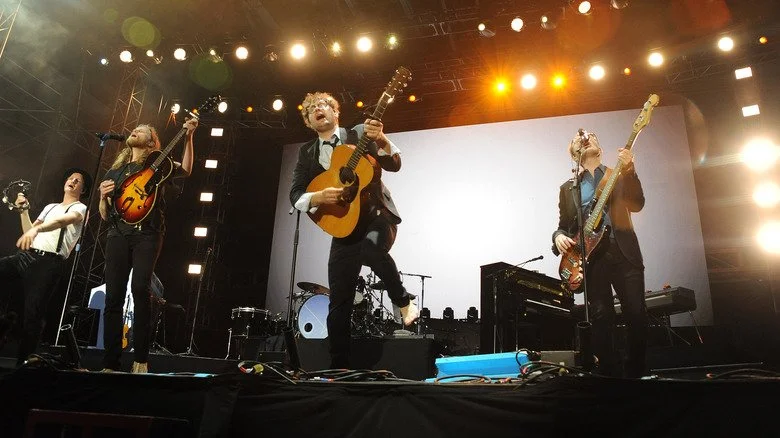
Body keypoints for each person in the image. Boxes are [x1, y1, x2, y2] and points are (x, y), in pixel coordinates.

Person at [290, 92, 418, 368]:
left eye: (323, 105)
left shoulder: (359, 134)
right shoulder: (307, 152)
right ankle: (339, 369)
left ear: (336, 113)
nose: (317, 109)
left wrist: (382, 139)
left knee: (371, 250)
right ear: (310, 123)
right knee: (339, 302)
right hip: (344, 227)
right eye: (311, 109)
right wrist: (319, 197)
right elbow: (296, 194)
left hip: (376, 217)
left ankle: (403, 300)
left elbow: (394, 164)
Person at [98, 120, 197, 373]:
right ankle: (110, 363)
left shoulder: (159, 166)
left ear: (152, 142)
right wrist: (102, 196)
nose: (135, 131)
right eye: (135, 129)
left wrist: (189, 136)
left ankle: (141, 358)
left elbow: (185, 169)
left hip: (148, 234)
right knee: (113, 298)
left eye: (142, 130)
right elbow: (104, 214)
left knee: (140, 288)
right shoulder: (115, 172)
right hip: (117, 234)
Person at [552, 130, 648, 378]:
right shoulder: (568, 189)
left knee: (636, 313)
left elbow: (636, 204)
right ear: (574, 152)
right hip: (592, 258)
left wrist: (630, 170)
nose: (586, 138)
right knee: (601, 316)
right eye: (579, 138)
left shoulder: (616, 173)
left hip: (623, 250)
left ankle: (636, 372)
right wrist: (558, 236)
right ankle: (608, 374)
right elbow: (565, 225)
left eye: (593, 135)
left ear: (600, 147)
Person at [0, 167, 91, 366]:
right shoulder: (50, 206)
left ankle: (23, 364)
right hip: (28, 256)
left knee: (34, 313)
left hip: (48, 263)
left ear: (82, 190)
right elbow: (30, 232)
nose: (72, 181)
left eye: (78, 181)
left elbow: (63, 221)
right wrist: (24, 211)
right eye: (70, 178)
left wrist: (38, 228)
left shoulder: (80, 208)